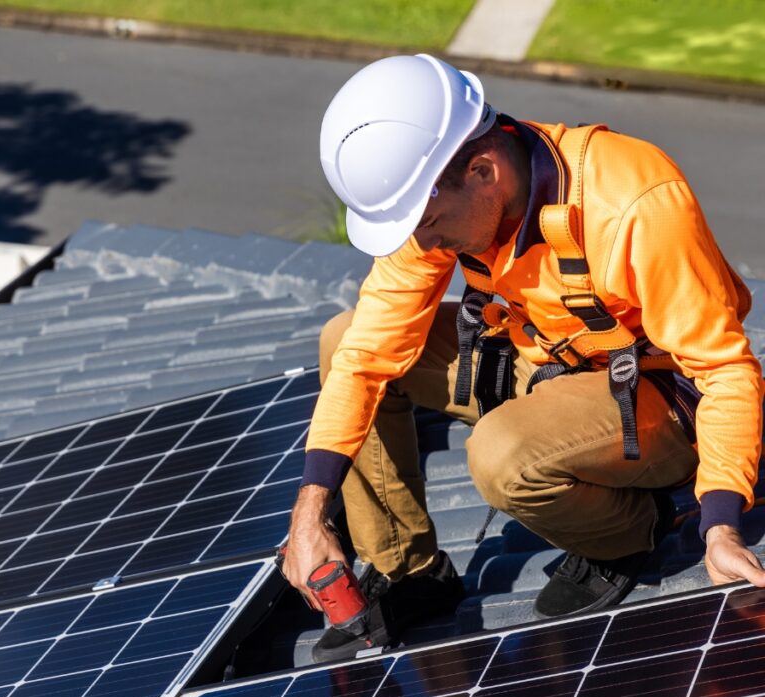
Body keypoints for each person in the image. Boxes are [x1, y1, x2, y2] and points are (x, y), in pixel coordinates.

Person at [282, 54, 765, 663]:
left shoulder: (635, 201)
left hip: (657, 402)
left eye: (429, 223)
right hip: (544, 365)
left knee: (501, 453)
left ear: (484, 171)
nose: (425, 245)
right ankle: (409, 570)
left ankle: (626, 533)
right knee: (343, 336)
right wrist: (310, 511)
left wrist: (720, 523)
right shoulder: (449, 196)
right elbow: (364, 355)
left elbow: (723, 372)